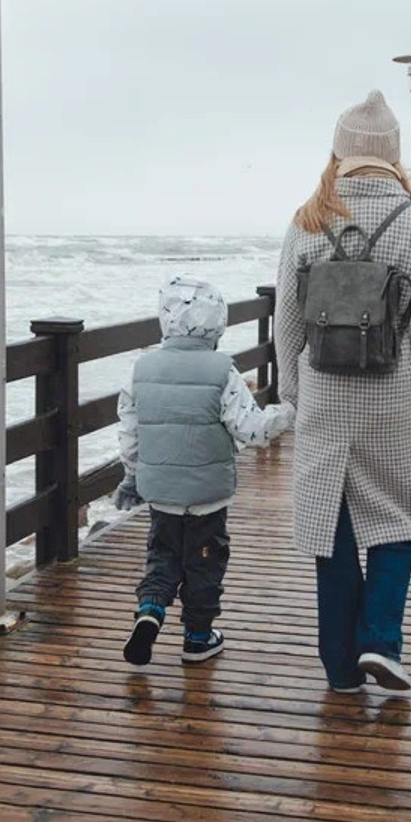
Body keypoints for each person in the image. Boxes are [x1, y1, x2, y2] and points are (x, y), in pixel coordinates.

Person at [274, 90, 411, 693]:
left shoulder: (307, 220)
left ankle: (340, 667)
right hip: (394, 399)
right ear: (393, 156)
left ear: (340, 153)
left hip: (327, 396)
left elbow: (286, 322)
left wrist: (294, 393)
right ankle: (380, 641)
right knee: (399, 517)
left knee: (331, 531)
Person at [114, 275, 295, 666]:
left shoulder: (140, 369)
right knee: (205, 561)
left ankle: (150, 609)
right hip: (207, 495)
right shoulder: (222, 371)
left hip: (160, 491)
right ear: (218, 320)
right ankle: (197, 638)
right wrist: (286, 412)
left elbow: (130, 436)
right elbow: (252, 430)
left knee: (162, 555)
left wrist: (133, 477)